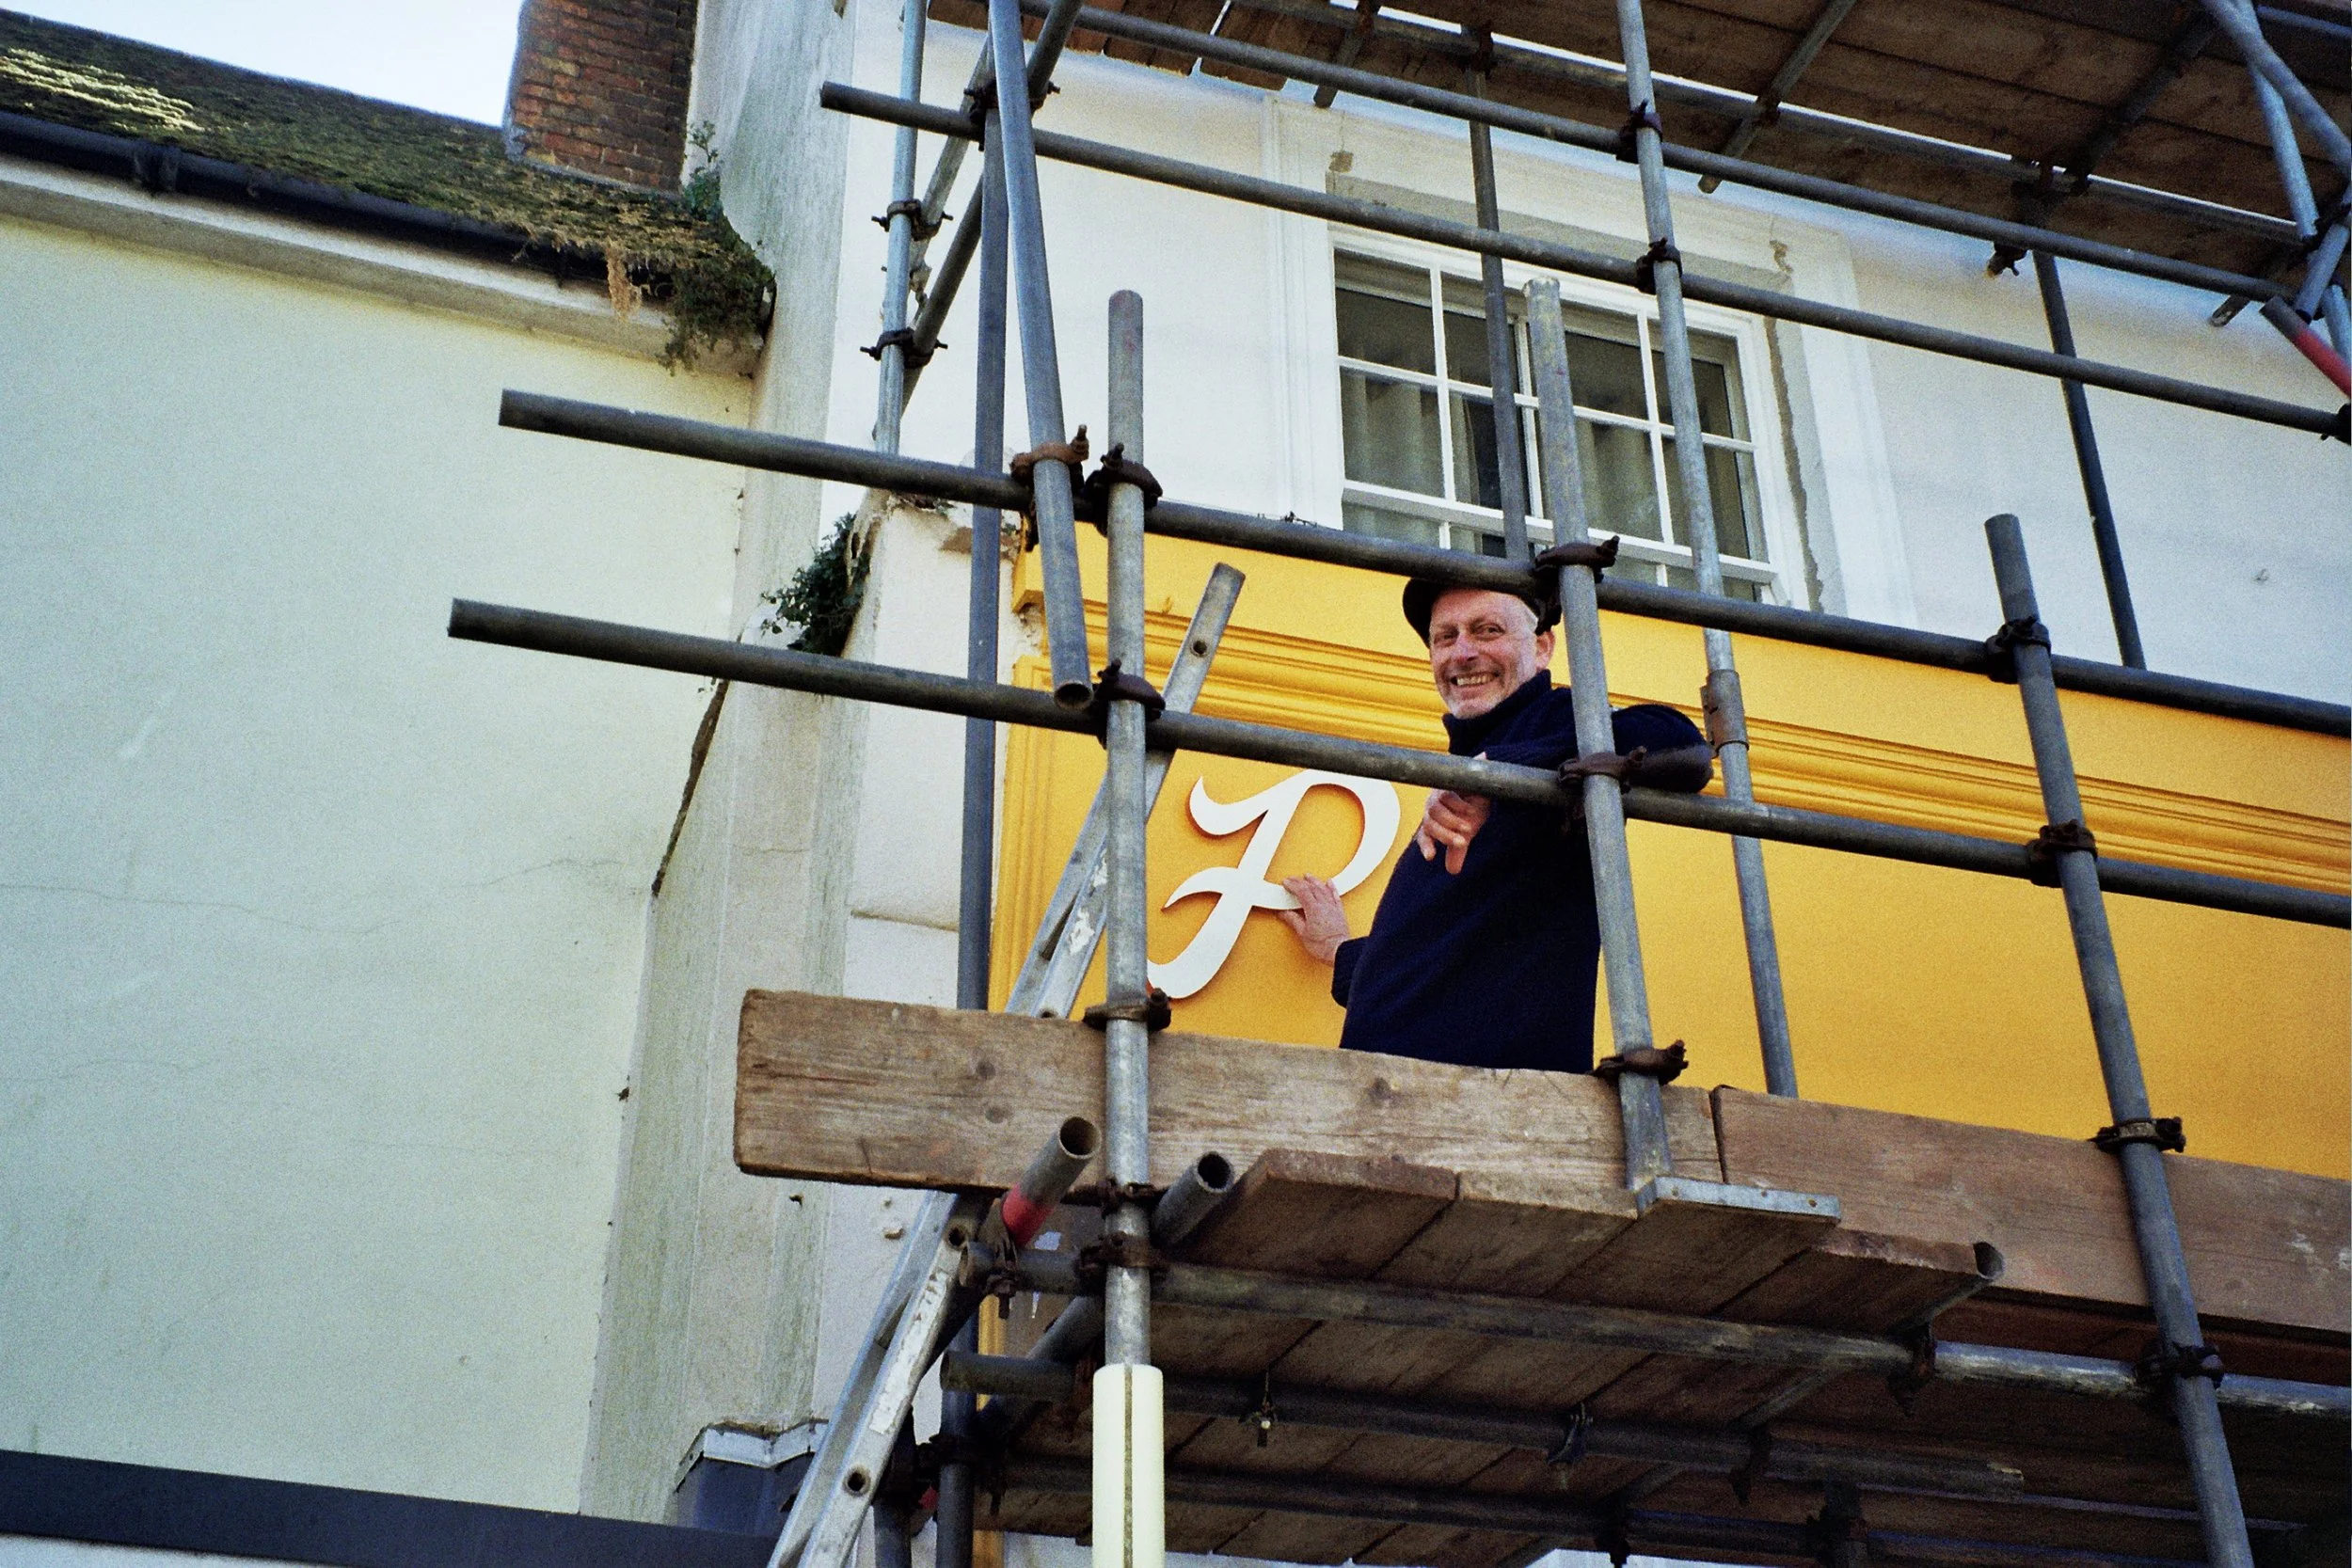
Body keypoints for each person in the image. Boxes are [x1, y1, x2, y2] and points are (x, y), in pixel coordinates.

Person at [1274, 578, 1713, 1073]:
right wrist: (1338, 952)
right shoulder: (1472, 773)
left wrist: (1498, 773)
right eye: (1446, 637)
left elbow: (1683, 746)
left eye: (1487, 631)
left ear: (1542, 648)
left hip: (1484, 1099)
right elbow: (1445, 960)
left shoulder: (1556, 723)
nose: (1463, 653)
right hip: (1386, 1088)